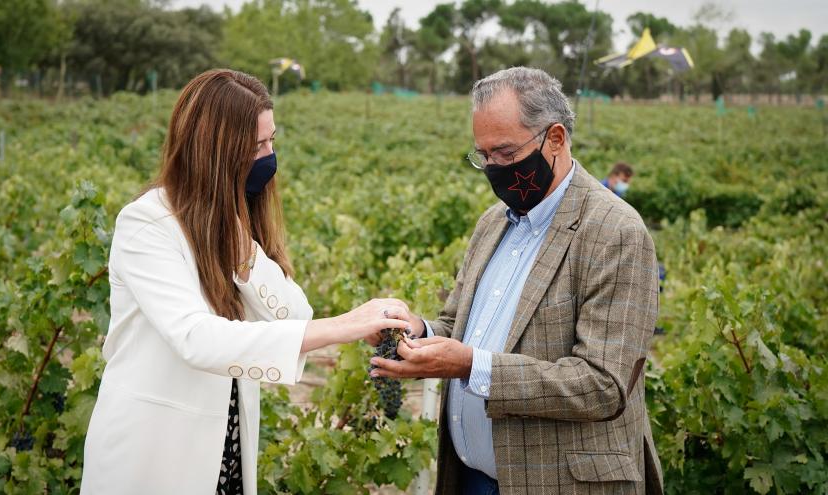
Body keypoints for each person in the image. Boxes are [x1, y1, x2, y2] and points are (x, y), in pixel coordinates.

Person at [81, 69, 414, 495]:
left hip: (225, 450)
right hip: (154, 455)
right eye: (258, 146)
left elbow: (294, 313)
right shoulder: (148, 224)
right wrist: (348, 323)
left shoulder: (233, 225)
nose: (270, 156)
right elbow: (196, 338)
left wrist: (242, 250)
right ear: (216, 151)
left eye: (272, 140)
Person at [370, 67, 664, 494]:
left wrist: (471, 365)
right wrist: (418, 332)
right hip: (472, 478)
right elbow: (460, 328)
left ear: (555, 139)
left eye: (506, 154)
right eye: (483, 156)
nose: (494, 169)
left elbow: (603, 385)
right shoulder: (493, 224)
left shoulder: (615, 232)